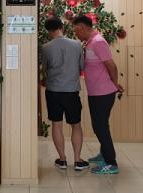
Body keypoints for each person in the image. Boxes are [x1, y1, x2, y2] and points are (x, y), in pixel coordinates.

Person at [72, 15, 124, 174]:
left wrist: (114, 84)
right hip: (96, 91)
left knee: (100, 127)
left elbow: (112, 66)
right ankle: (104, 154)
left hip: (103, 92)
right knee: (100, 125)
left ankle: (111, 163)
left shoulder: (98, 42)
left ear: (83, 27)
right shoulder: (90, 42)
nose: (76, 34)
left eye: (76, 31)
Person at [41, 17, 89, 171]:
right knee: (76, 125)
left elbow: (44, 69)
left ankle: (62, 159)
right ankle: (77, 160)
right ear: (62, 27)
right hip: (71, 91)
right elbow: (81, 66)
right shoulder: (76, 44)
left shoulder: (45, 47)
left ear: (48, 31)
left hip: (53, 91)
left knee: (56, 124)